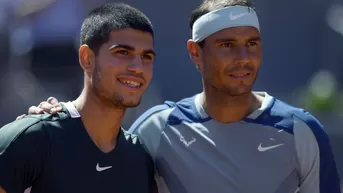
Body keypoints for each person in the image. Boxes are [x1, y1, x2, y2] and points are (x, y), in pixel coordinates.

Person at [17, 0, 342, 193]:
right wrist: (51, 121)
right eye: (227, 45)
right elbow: (87, 161)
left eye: (252, 44)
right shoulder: (155, 130)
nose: (243, 57)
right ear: (195, 53)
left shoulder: (303, 132)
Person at [0, 3, 157, 193]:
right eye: (122, 53)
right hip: (37, 59)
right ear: (87, 58)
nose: (137, 67)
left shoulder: (140, 156)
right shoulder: (29, 139)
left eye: (147, 57)